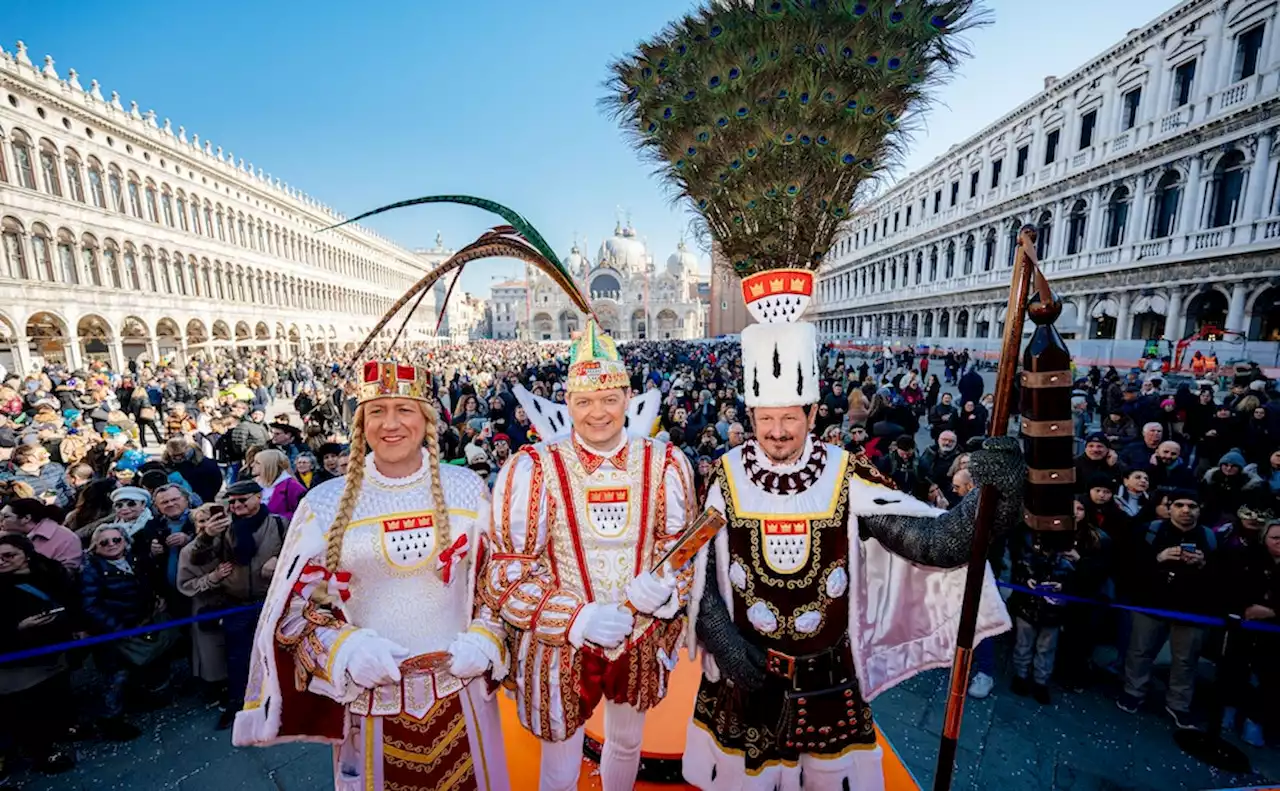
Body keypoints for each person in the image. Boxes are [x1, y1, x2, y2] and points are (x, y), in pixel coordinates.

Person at [679, 277, 1021, 788]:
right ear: (750, 414)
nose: (776, 431)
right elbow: (698, 571)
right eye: (766, 418)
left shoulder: (846, 473)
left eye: (790, 418)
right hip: (744, 679)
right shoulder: (723, 476)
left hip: (830, 684)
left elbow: (934, 543)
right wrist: (724, 642)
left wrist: (997, 501)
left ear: (813, 413)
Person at [233, 359, 510, 791]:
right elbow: (290, 615)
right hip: (370, 703)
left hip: (465, 696)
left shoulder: (467, 489)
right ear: (360, 423)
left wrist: (486, 637)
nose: (391, 424)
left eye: (405, 409)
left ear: (428, 419)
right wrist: (344, 649)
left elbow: (498, 583)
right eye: (377, 412)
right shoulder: (323, 504)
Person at [481, 321, 694, 791]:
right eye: (584, 401)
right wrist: (576, 618)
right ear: (568, 403)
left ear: (628, 398)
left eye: (609, 400)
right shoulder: (532, 468)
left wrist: (666, 590)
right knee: (560, 759)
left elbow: (681, 549)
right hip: (560, 644)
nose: (598, 413)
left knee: (626, 744)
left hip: (639, 636)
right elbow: (507, 572)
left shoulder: (665, 462)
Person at [0, 534, 78, 775]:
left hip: (55, 649)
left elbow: (71, 599)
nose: (1, 561)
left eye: (8, 555)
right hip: (19, 661)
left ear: (27, 555)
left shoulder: (50, 573)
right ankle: (41, 754)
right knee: (28, 709)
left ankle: (60, 731)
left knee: (55, 695)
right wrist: (18, 629)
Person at [0, 498, 83, 573]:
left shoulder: (66, 539)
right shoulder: (12, 535)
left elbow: (68, 576)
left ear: (26, 518)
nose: (1, 520)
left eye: (6, 516)